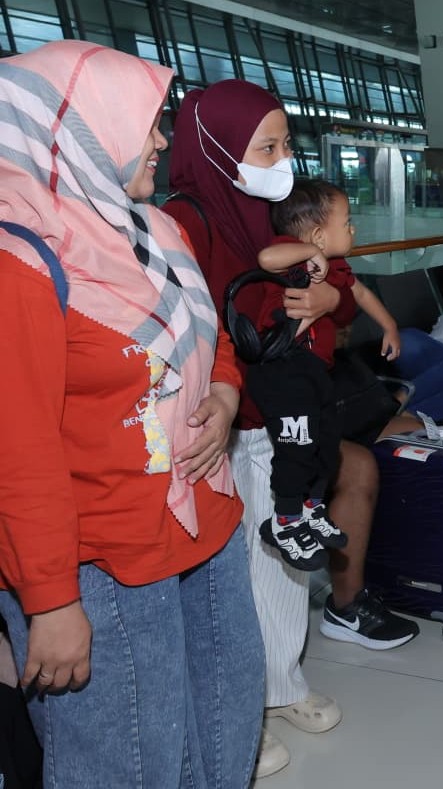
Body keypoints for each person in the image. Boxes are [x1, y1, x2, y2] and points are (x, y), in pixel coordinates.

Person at [0, 40, 263, 785]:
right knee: (128, 760)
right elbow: (15, 449)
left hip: (202, 520)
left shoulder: (152, 233)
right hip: (99, 561)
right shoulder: (19, 258)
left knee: (222, 720)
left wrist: (224, 391)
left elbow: (206, 338)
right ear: (80, 127)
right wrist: (50, 601)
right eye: (146, 121)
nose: (160, 140)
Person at [165, 78, 419, 779]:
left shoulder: (266, 218)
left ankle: (280, 684)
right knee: (229, 576)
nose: (281, 159)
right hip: (214, 424)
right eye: (266, 145)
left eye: (284, 144)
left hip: (274, 422)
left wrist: (335, 298)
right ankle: (235, 706)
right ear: (216, 145)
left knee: (279, 560)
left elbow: (318, 313)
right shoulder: (185, 222)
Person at [246, 178, 403, 569]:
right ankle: (284, 520)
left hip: (315, 370)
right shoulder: (291, 255)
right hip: (282, 368)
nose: (353, 229)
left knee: (327, 442)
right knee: (296, 446)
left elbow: (360, 295)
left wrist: (390, 326)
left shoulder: (339, 268)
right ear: (317, 235)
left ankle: (312, 507)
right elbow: (265, 259)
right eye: (347, 221)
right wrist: (308, 253)